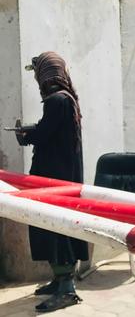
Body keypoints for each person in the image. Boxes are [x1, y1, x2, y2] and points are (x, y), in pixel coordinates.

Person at [15, 51, 88, 312]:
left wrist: (28, 135)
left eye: (37, 74)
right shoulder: (64, 100)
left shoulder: (57, 101)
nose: (36, 79)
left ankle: (66, 288)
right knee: (53, 227)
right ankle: (59, 281)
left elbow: (46, 134)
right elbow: (51, 132)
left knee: (56, 228)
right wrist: (33, 133)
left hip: (55, 180)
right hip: (59, 177)